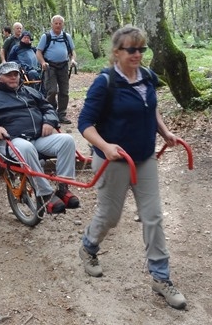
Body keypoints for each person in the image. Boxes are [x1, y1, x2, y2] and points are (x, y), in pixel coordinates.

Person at [76, 25, 186, 309]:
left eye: (141, 49)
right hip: (113, 159)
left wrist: (165, 132)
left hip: (144, 158)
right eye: (131, 49)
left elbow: (152, 108)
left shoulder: (147, 77)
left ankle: (160, 277)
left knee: (153, 216)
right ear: (116, 52)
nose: (137, 54)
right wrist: (105, 146)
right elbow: (84, 124)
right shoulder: (105, 82)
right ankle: (89, 247)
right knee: (110, 216)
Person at [0, 62, 80, 215]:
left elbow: (48, 108)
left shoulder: (29, 92)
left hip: (37, 137)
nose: (13, 77)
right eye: (9, 75)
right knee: (26, 147)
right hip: (10, 141)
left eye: (16, 74)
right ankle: (44, 194)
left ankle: (63, 187)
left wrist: (49, 121)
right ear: (0, 78)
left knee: (67, 140)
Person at [36, 15, 77, 124]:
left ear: (63, 24)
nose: (58, 25)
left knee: (64, 91)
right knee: (52, 90)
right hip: (50, 66)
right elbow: (39, 52)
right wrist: (43, 62)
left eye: (60, 23)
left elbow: (72, 51)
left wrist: (72, 60)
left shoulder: (66, 36)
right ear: (52, 24)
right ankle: (51, 113)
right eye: (56, 23)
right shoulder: (46, 36)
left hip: (63, 66)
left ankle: (62, 114)